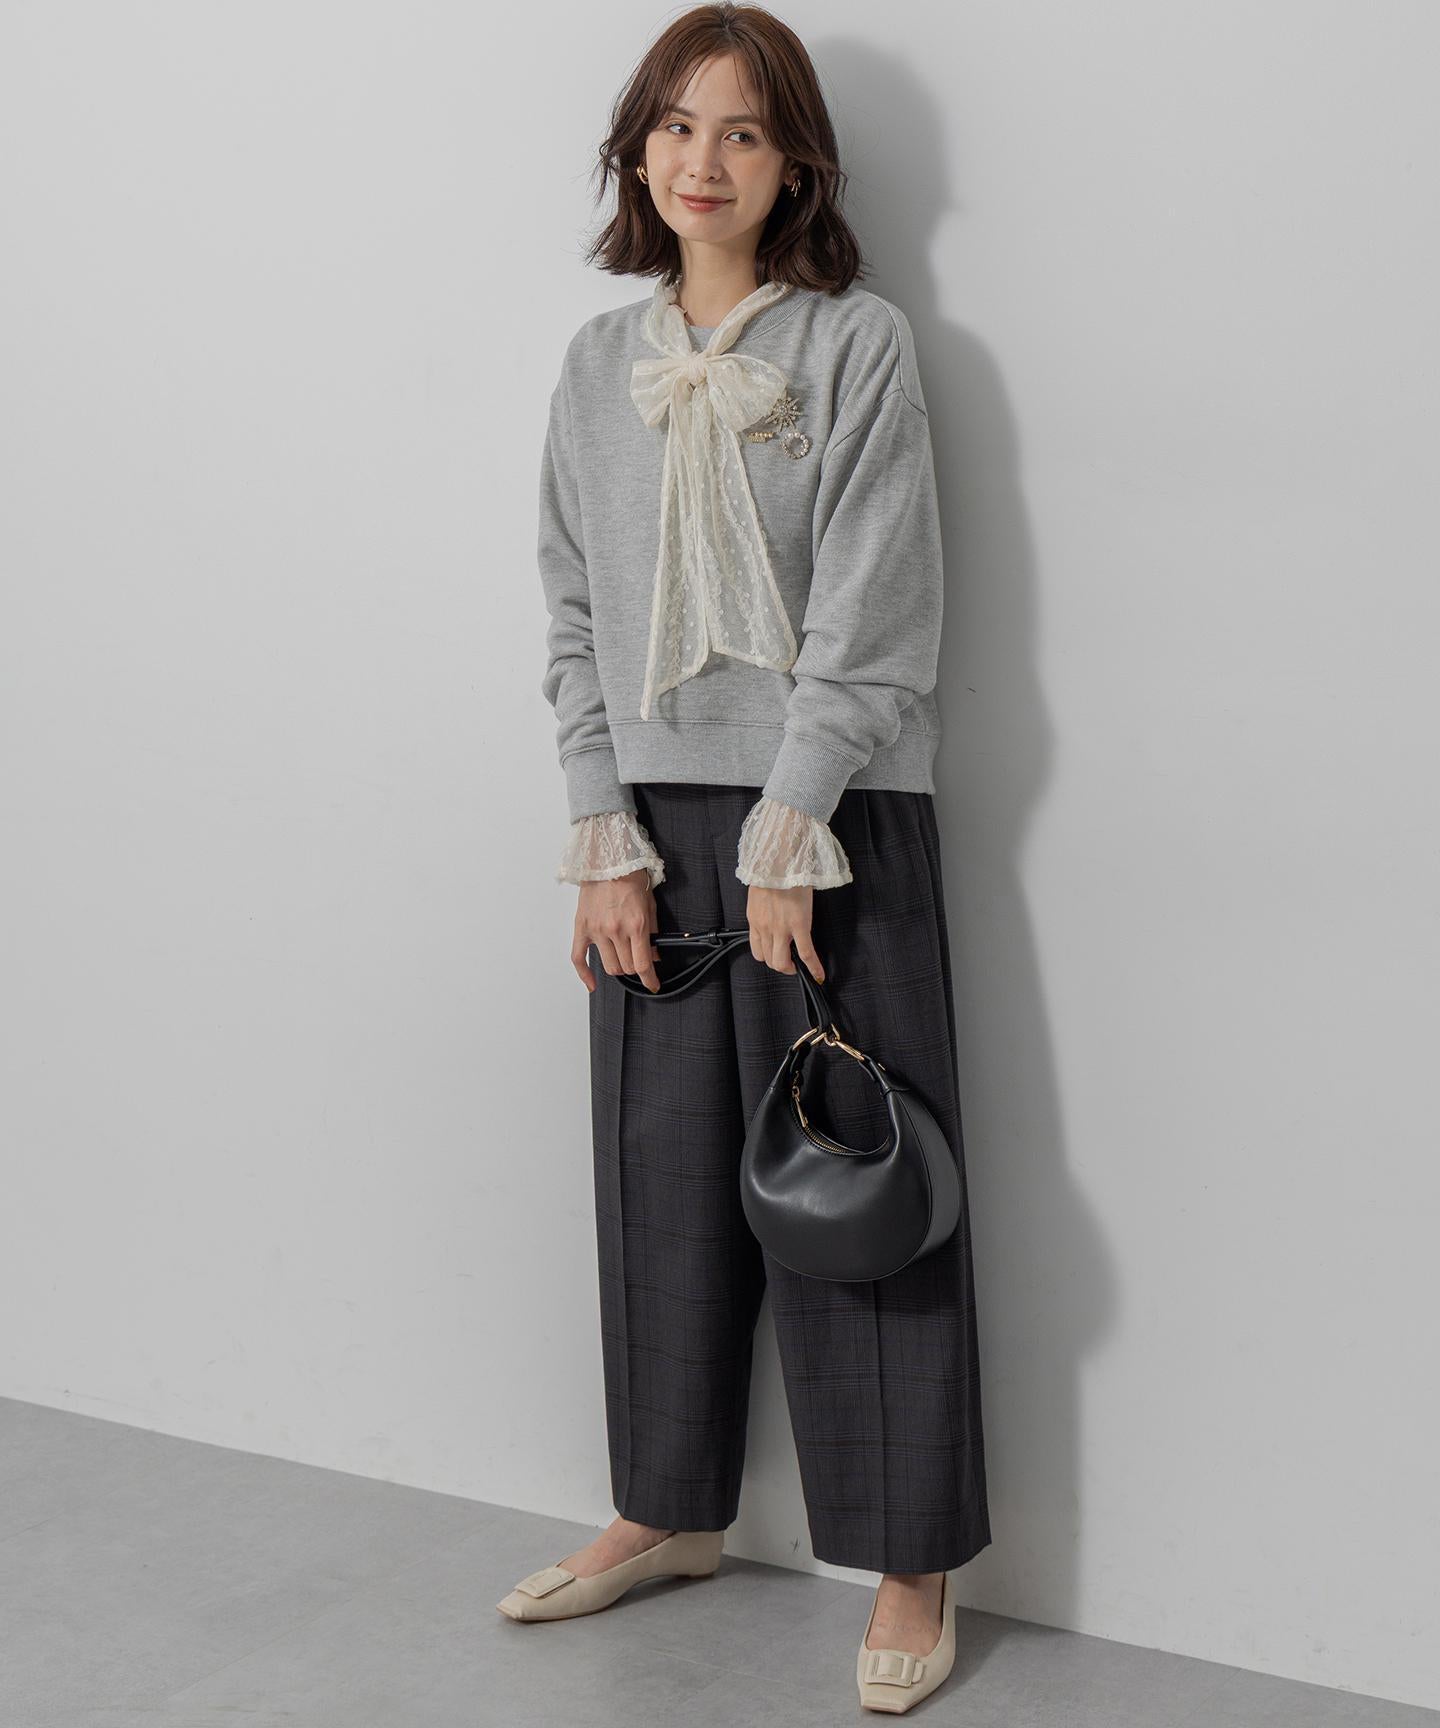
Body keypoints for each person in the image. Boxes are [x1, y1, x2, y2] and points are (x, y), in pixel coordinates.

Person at [498, 3, 991, 1712]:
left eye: (743, 131)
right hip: (645, 824)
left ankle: (912, 1559)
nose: (702, 160)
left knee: (866, 1186)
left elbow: (878, 606)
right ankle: (667, 1509)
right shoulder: (594, 364)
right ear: (637, 151)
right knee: (659, 1178)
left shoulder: (858, 347)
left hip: (833, 823)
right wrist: (601, 836)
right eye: (675, 126)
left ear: (797, 167)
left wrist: (796, 827)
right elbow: (571, 611)